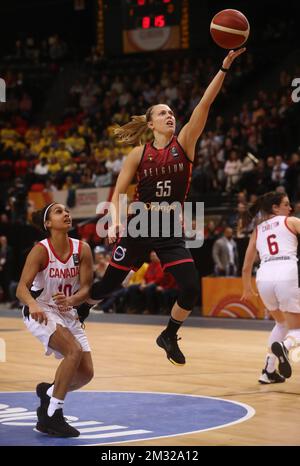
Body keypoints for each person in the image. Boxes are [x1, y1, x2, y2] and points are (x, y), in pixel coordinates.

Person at [78, 48, 245, 366]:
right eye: (163, 113)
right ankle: (84, 308)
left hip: (169, 228)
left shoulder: (185, 143)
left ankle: (169, 334)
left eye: (172, 113)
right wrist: (114, 221)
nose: (170, 116)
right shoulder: (138, 154)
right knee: (109, 285)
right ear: (151, 122)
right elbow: (117, 193)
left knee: (190, 287)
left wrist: (223, 67)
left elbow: (204, 104)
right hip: (139, 223)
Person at [16, 202, 94, 437]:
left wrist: (72, 301)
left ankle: (48, 393)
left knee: (86, 374)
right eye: (59, 212)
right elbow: (21, 288)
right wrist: (31, 304)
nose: (66, 214)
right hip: (40, 308)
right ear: (48, 223)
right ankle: (52, 416)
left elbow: (86, 288)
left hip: (67, 311)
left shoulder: (83, 249)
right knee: (73, 351)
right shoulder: (41, 250)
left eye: (67, 210)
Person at [241, 192, 300, 383]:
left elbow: (246, 265)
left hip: (264, 277)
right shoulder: (291, 221)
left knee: (281, 324)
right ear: (275, 208)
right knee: (296, 329)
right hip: (287, 273)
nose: (290, 208)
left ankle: (268, 371)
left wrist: (247, 288)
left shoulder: (258, 229)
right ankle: (286, 346)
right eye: (286, 204)